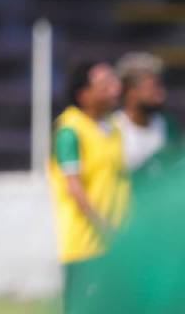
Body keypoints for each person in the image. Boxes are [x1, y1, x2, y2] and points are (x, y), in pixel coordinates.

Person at [48, 60, 128, 313]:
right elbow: (74, 187)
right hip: (86, 245)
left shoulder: (113, 127)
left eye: (114, 83)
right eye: (105, 85)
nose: (115, 89)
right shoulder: (70, 130)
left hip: (118, 238)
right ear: (84, 95)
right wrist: (103, 226)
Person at [113, 52, 182, 183]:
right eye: (153, 87)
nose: (161, 94)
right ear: (131, 92)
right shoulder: (112, 128)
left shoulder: (168, 125)